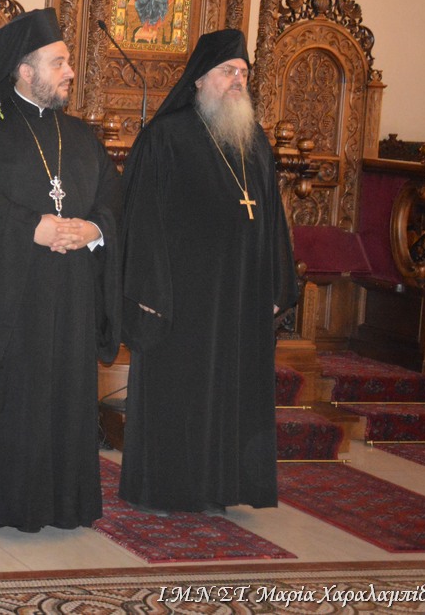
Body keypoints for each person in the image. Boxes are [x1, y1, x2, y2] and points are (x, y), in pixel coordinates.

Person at [0, 7, 122, 533]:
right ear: (23, 69)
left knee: (63, 398)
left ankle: (63, 503)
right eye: (58, 63)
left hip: (70, 299)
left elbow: (113, 203)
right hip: (8, 303)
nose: (70, 72)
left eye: (68, 62)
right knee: (10, 403)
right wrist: (28, 228)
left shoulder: (81, 138)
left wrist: (93, 229)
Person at [118, 28, 297, 514]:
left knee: (235, 391)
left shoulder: (254, 140)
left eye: (243, 73)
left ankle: (227, 486)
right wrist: (148, 292)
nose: (238, 80)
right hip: (183, 299)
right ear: (199, 78)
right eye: (227, 71)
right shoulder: (165, 138)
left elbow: (273, 219)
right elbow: (141, 219)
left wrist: (276, 284)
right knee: (182, 391)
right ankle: (170, 487)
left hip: (242, 294)